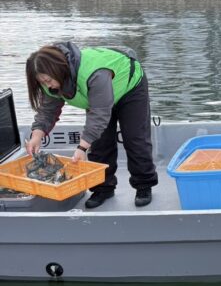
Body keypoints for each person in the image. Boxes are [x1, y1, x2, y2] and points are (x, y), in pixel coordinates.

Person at [25, 41, 158, 209]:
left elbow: (100, 114)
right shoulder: (51, 83)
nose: (47, 85)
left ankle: (144, 185)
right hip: (98, 98)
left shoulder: (94, 73)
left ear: (58, 69)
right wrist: (36, 135)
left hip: (129, 88)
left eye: (48, 80)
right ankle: (103, 188)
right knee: (100, 144)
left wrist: (81, 148)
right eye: (42, 82)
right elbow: (47, 111)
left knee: (135, 138)